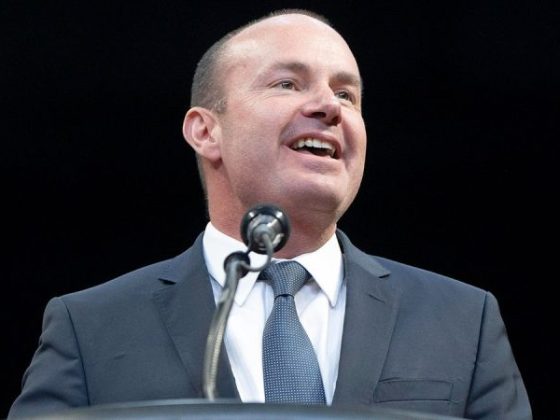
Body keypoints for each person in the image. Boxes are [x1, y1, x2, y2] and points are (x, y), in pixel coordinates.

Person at [9, 9, 531, 419]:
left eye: (347, 94)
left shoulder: (462, 321)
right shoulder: (92, 327)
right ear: (206, 131)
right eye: (288, 83)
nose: (330, 106)